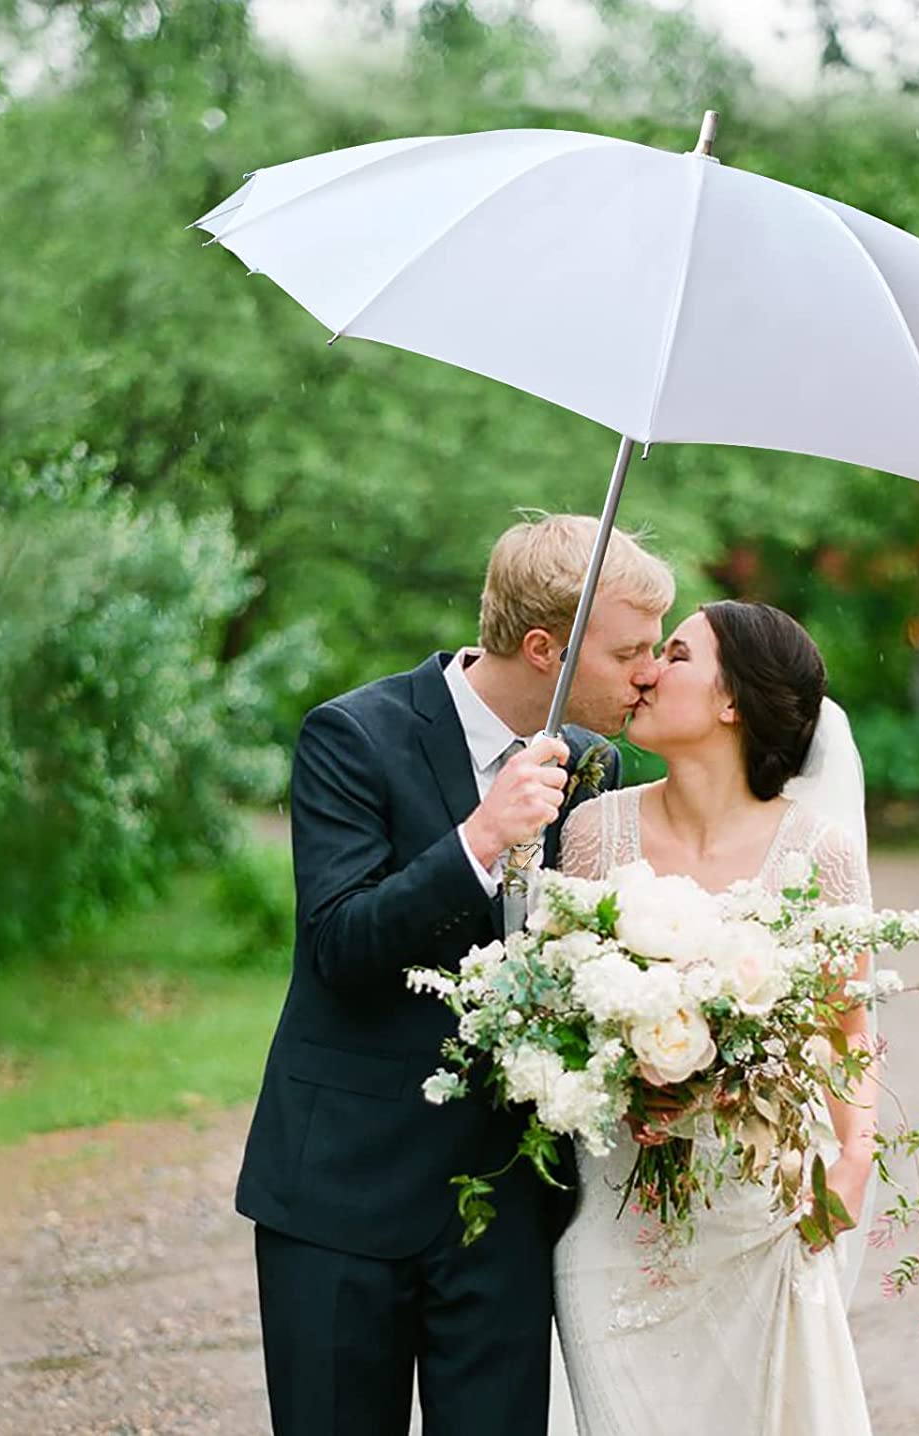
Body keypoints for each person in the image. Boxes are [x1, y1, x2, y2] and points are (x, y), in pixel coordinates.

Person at [236, 513, 675, 1436]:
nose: (648, 673)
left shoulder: (597, 771)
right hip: (342, 1196)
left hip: (506, 1207)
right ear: (544, 648)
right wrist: (480, 838)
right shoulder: (352, 737)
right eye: (629, 651)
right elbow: (339, 947)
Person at [552, 599, 878, 1436]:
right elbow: (558, 1007)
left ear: (733, 701)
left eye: (678, 653)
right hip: (615, 1213)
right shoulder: (593, 832)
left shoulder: (819, 854)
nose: (649, 670)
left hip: (756, 1211)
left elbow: (848, 1023)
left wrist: (852, 1161)